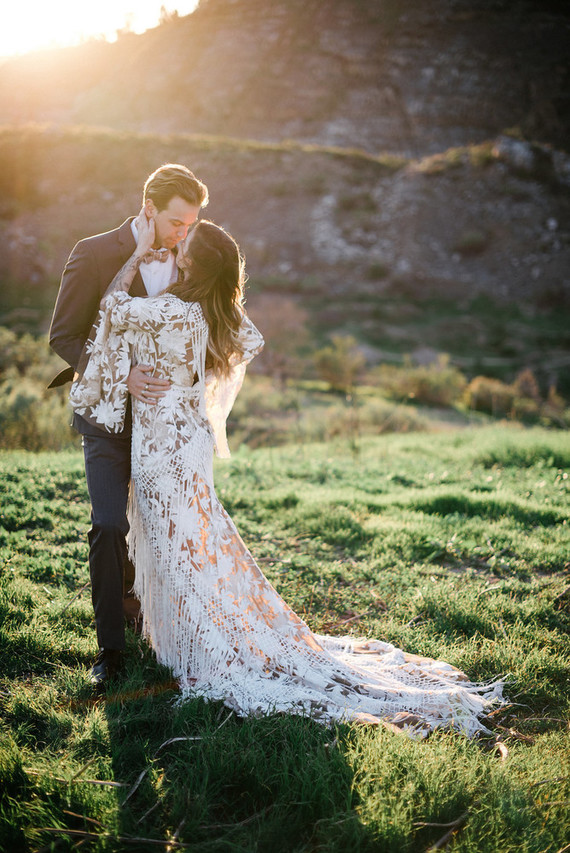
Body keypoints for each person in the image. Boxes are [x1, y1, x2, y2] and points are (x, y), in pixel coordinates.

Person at [68, 214, 505, 736]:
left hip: (163, 443)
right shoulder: (217, 311)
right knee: (194, 538)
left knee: (175, 542)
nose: (178, 244)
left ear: (194, 263)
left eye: (187, 244)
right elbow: (246, 342)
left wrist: (137, 255)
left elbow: (112, 306)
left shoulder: (172, 310)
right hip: (190, 438)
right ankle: (179, 632)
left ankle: (198, 641)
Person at [49, 164, 209, 690]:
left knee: (161, 527)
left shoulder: (192, 260)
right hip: (106, 419)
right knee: (110, 525)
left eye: (190, 225)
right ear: (148, 209)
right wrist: (122, 375)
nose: (183, 233)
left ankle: (156, 627)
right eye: (176, 223)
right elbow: (64, 336)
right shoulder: (94, 252)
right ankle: (111, 651)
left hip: (167, 424)